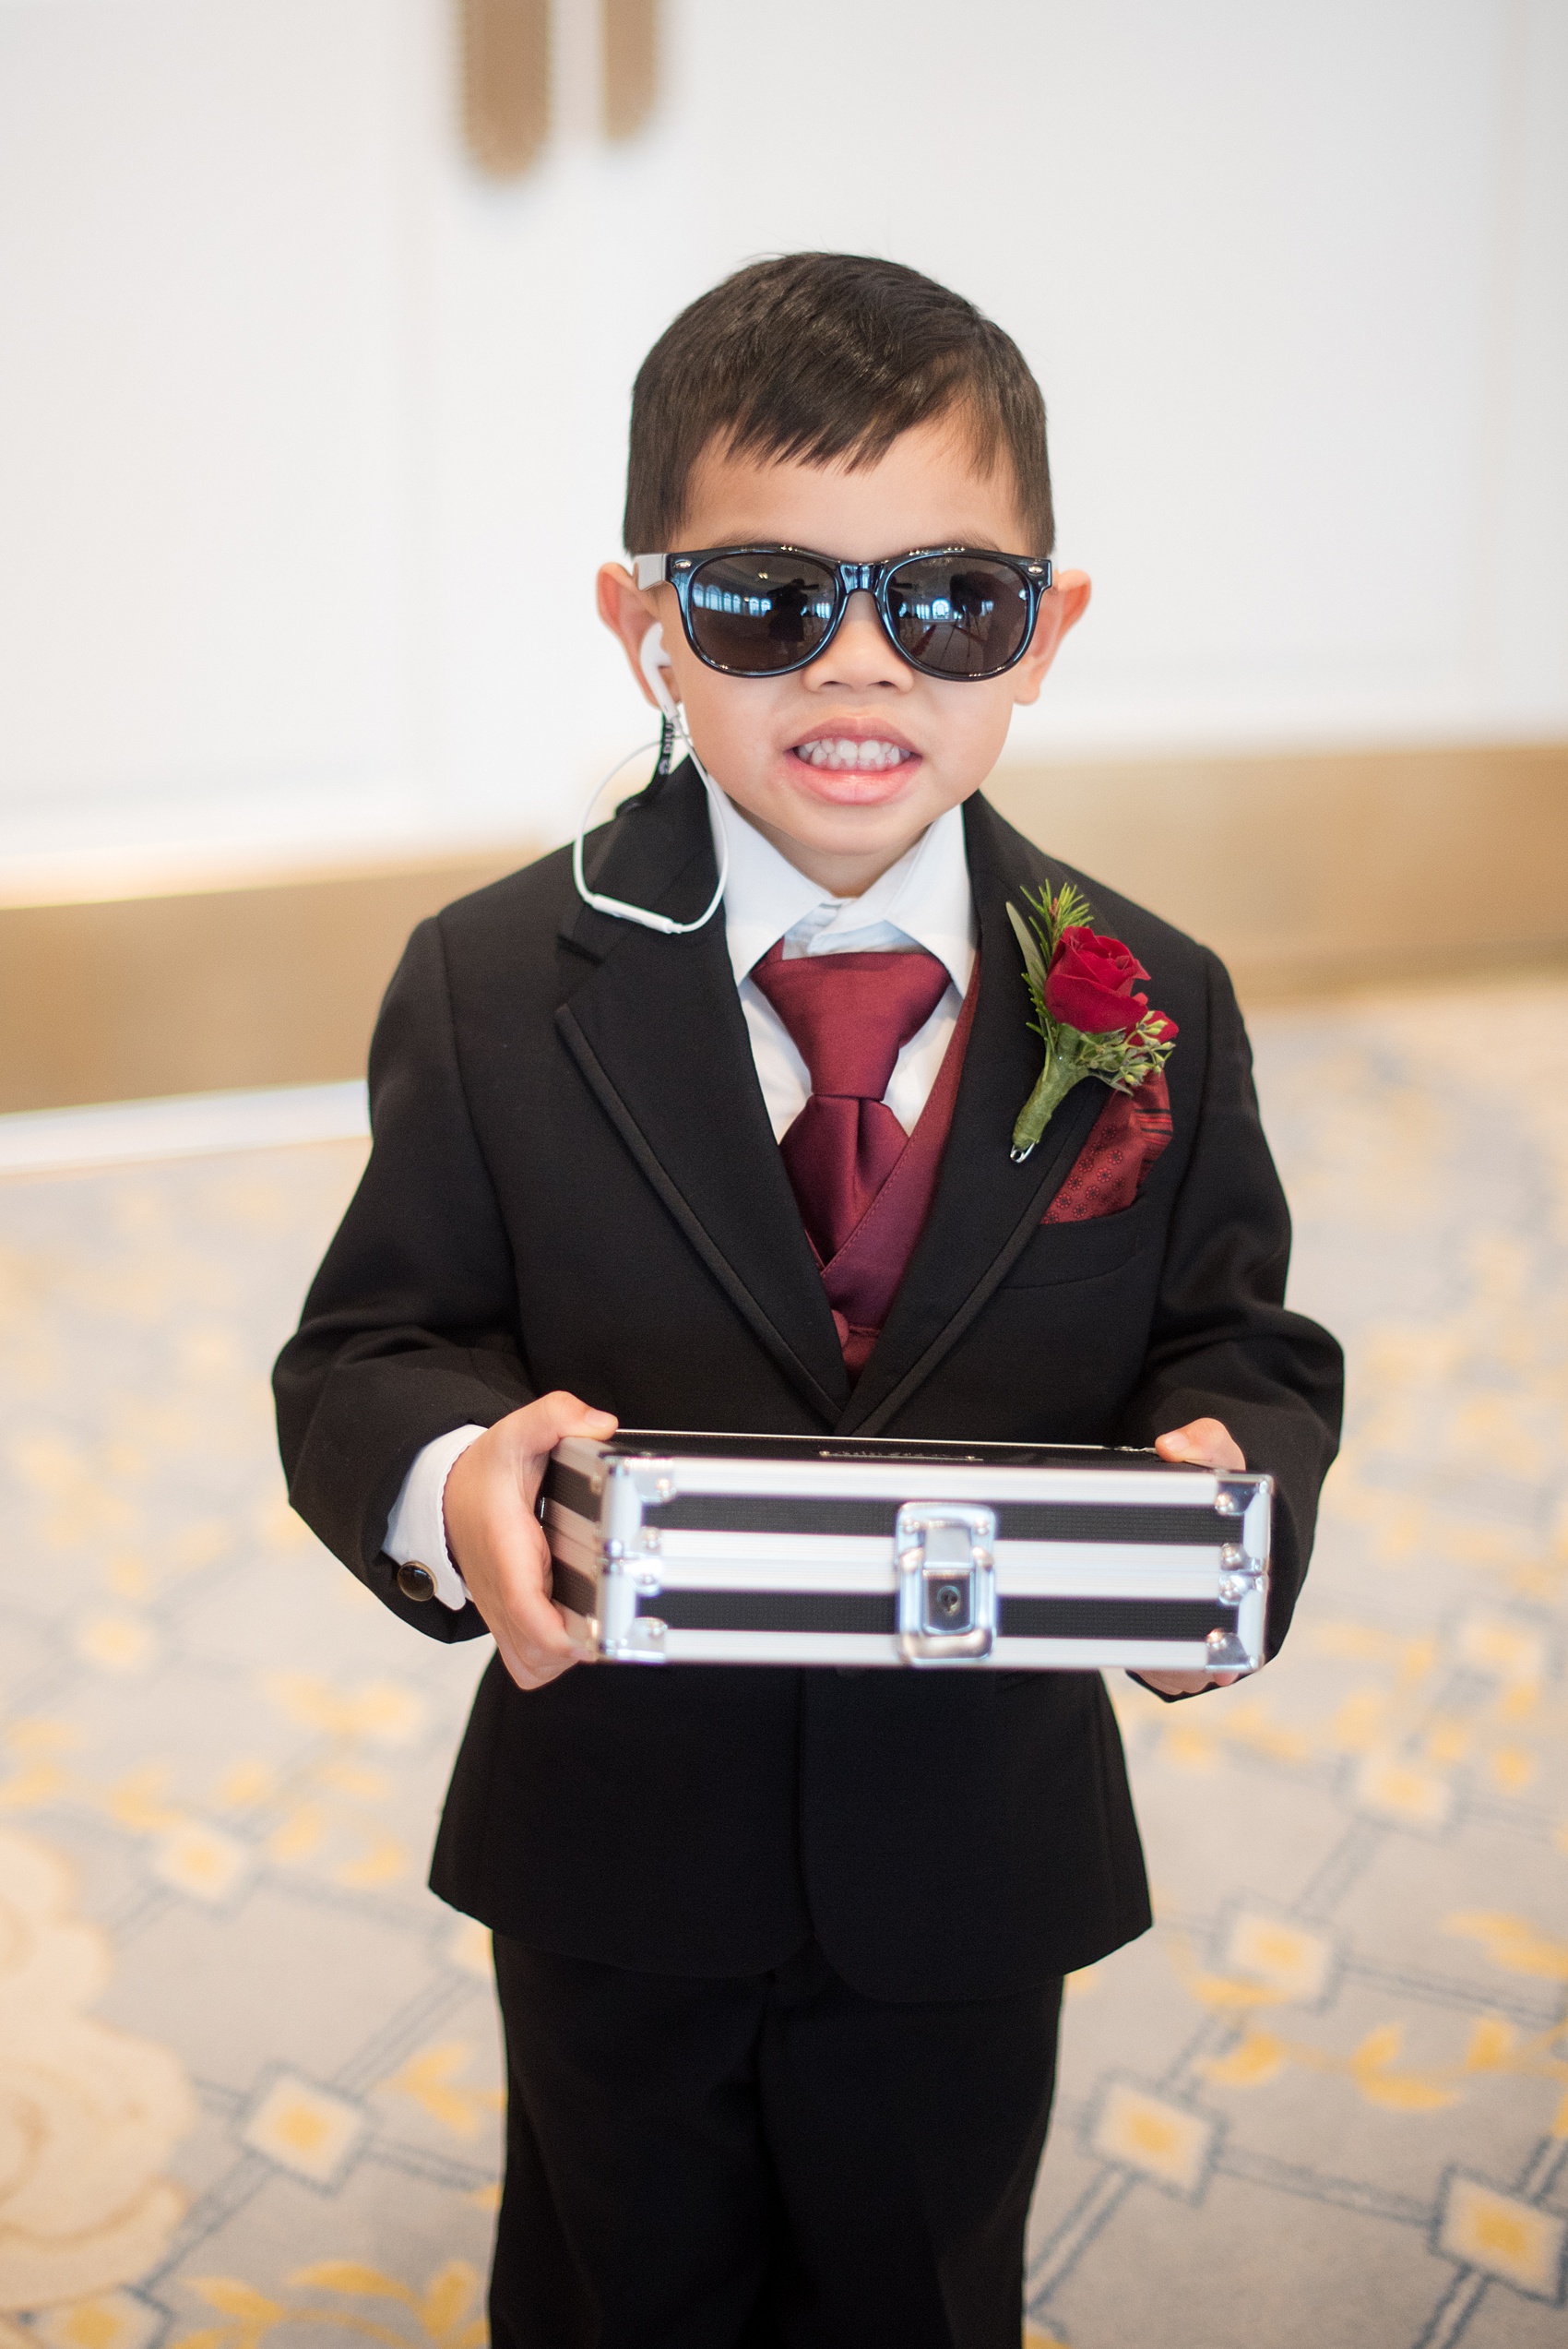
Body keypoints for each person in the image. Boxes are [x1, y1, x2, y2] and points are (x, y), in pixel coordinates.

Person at [274, 252, 1342, 2349]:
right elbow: (369, 1347)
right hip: (618, 1826)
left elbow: (1241, 1338)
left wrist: (1237, 1493)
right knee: (610, 2261)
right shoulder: (494, 987)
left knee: (921, 2272)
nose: (860, 666)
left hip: (971, 1838)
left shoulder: (1151, 997)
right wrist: (444, 1478)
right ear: (644, 619)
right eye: (770, 598)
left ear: (1045, 631)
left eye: (947, 599)